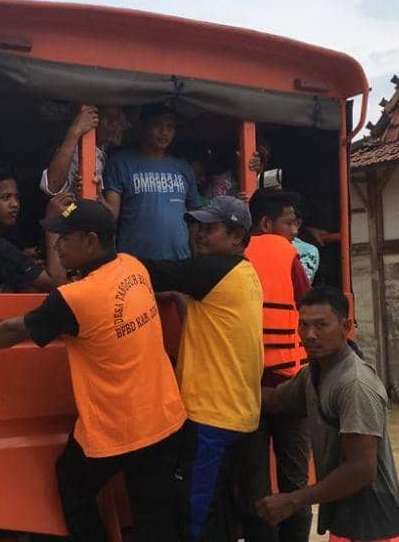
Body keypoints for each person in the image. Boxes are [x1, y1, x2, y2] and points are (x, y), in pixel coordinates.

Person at [0, 199, 186, 542]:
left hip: (117, 428)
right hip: (164, 417)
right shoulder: (133, 267)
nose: (57, 245)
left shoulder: (75, 298)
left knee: (72, 482)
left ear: (91, 241)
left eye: (65, 238)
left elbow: (12, 331)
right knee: (156, 517)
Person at [137, 195, 263, 541]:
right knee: (218, 507)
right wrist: (181, 299)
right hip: (238, 413)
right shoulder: (243, 272)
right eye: (198, 228)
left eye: (210, 229)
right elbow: (213, 321)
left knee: (197, 510)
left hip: (213, 416)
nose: (200, 235)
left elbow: (151, 271)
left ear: (237, 236)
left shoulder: (213, 269)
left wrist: (105, 257)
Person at [258, 287, 399, 542]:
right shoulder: (314, 373)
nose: (310, 335)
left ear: (346, 326)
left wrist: (293, 500)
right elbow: (274, 400)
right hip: (344, 517)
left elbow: (362, 469)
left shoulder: (355, 384)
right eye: (303, 325)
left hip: (374, 523)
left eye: (321, 325)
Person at [238, 189, 313, 542]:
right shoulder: (288, 253)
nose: (293, 231)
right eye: (288, 222)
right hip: (290, 383)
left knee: (254, 482)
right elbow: (308, 306)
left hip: (248, 385)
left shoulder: (233, 256)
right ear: (267, 223)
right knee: (296, 482)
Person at [102, 105, 200, 260]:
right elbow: (110, 215)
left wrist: (196, 256)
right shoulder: (121, 163)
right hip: (135, 261)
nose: (164, 132)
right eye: (158, 125)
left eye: (170, 127)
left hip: (180, 261)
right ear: (143, 127)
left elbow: (194, 218)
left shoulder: (183, 169)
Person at [0, 168, 65, 292]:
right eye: (6, 197)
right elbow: (58, 286)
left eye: (16, 197)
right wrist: (53, 223)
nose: (15, 204)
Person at [41, 105, 130, 199]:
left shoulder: (105, 148)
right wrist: (75, 132)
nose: (114, 124)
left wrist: (99, 196)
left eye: (118, 118)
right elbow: (53, 186)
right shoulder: (76, 150)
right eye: (108, 117)